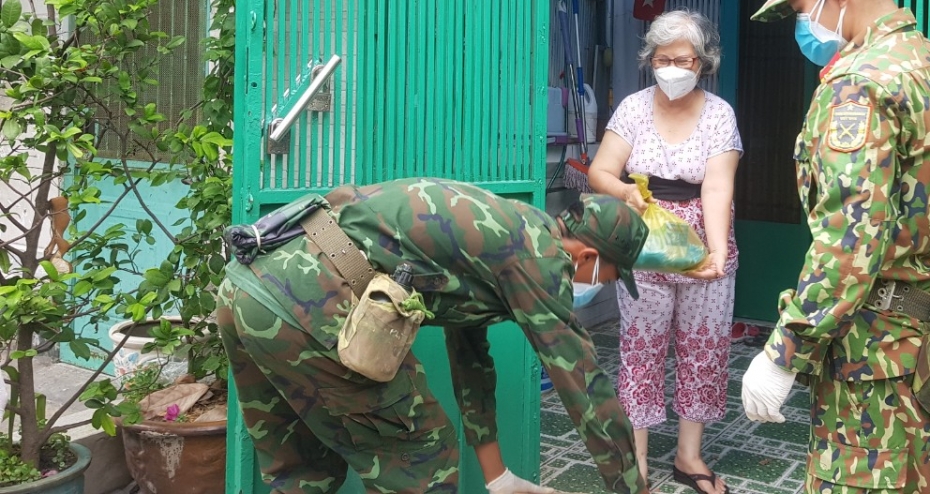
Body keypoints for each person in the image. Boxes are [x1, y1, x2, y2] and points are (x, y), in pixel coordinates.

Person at [739, 0, 930, 494]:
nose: (802, 26)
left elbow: (850, 241)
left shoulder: (858, 86)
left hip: (875, 361)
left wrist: (784, 352)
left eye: (802, 7)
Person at [215, 177, 652, 494]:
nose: (606, 283)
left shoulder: (519, 229)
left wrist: (498, 478)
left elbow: (471, 358)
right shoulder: (543, 259)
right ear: (590, 255)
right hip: (309, 294)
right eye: (613, 276)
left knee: (306, 472)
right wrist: (633, 488)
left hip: (247, 287)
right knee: (425, 454)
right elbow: (584, 384)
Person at [589, 10, 742, 494]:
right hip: (644, 243)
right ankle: (637, 458)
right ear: (650, 60)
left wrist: (715, 255)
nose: (672, 67)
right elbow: (600, 172)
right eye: (662, 58)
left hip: (701, 240)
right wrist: (626, 193)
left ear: (702, 62)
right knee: (641, 347)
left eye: (683, 58)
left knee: (704, 347)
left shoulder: (719, 114)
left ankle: (688, 454)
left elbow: (718, 188)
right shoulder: (633, 108)